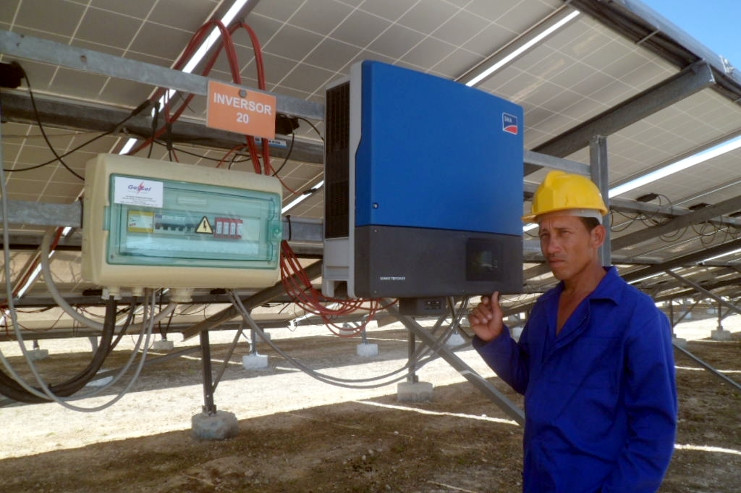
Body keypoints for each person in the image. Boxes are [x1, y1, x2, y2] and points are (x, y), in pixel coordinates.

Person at [469, 170, 677, 492]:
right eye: (544, 234)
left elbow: (655, 429)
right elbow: (530, 379)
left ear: (597, 237)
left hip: (596, 482)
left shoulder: (638, 315)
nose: (552, 247)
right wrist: (496, 340)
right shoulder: (545, 308)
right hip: (541, 475)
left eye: (564, 233)